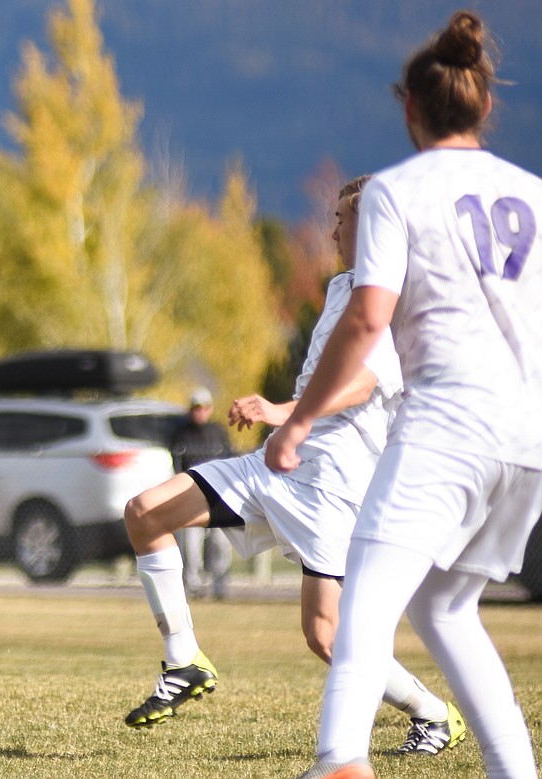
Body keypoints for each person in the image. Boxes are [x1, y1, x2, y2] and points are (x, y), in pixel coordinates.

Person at [267, 13, 542, 779]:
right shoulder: (533, 194)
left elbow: (367, 316)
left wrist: (300, 420)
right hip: (526, 441)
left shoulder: (395, 191)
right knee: (446, 608)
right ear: (486, 106)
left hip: (446, 426)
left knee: (364, 608)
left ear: (411, 109)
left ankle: (339, 760)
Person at [121, 176, 467, 758]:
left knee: (325, 636)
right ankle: (184, 660)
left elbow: (361, 385)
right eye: (332, 218)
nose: (332, 229)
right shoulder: (341, 287)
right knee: (145, 512)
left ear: (376, 227)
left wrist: (283, 411)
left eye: (342, 220)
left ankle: (433, 714)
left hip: (330, 483)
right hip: (276, 463)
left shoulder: (392, 299)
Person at [170, 387, 234, 599]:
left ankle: (220, 588)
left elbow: (229, 463)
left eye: (204, 407)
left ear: (210, 409)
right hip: (191, 497)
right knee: (191, 545)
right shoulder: (181, 435)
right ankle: (194, 587)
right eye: (196, 407)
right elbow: (177, 468)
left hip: (217, 497)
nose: (200, 412)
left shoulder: (218, 433)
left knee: (220, 543)